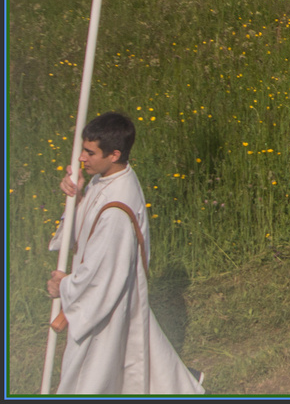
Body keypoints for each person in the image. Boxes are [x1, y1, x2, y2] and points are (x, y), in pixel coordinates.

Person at [47, 113, 204, 395]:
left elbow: (102, 274)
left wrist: (65, 286)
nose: (81, 158)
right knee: (128, 363)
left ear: (114, 154)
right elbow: (84, 231)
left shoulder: (117, 207)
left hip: (107, 305)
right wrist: (78, 198)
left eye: (89, 152)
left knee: (92, 375)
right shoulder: (106, 178)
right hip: (113, 298)